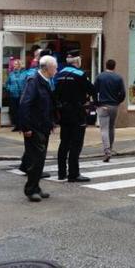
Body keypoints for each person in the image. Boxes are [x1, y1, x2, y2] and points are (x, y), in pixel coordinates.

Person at [15, 55, 58, 202]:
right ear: (47, 68)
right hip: (34, 127)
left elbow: (47, 106)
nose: (56, 70)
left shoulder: (46, 81)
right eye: (55, 67)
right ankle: (30, 189)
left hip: (43, 126)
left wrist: (51, 123)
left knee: (40, 159)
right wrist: (26, 127)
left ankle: (36, 187)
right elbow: (25, 104)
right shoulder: (33, 81)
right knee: (35, 160)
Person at [54, 52, 95, 181]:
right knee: (76, 144)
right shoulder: (80, 74)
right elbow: (92, 90)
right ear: (78, 61)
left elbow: (55, 93)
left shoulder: (59, 74)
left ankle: (61, 172)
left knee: (64, 143)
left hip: (63, 113)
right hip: (77, 112)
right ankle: (73, 173)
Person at [94, 59, 126, 162]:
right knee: (111, 127)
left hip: (103, 105)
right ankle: (110, 148)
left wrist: (97, 103)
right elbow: (123, 93)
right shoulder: (118, 78)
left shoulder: (100, 76)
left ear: (105, 65)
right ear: (114, 66)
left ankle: (107, 151)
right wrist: (117, 102)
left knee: (104, 129)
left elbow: (94, 91)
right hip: (114, 106)